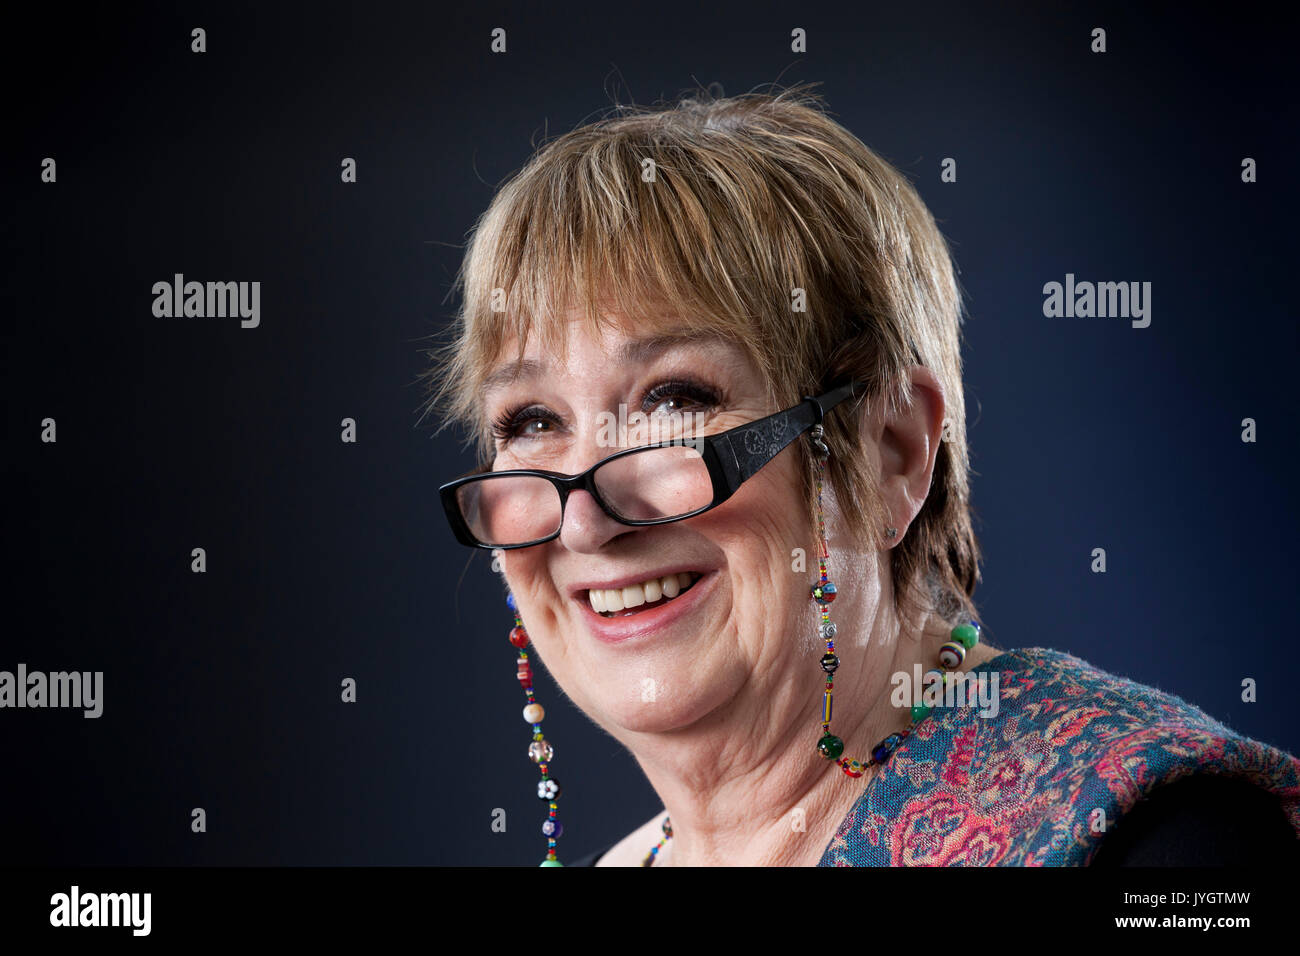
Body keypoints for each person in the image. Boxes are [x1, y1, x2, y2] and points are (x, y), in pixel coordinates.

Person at [422, 85, 1300, 866]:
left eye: (674, 402)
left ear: (891, 451)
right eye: (530, 421)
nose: (584, 525)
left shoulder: (1166, 845)